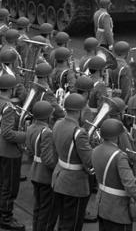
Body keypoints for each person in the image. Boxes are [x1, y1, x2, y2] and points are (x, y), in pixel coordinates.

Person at [91, 118, 136, 231]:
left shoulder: (96, 150)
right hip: (118, 210)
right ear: (118, 136)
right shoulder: (119, 156)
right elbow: (131, 186)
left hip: (102, 205)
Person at [0, 73, 28, 231]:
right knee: (10, 186)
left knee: (4, 183)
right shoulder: (8, 107)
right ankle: (6, 217)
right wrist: (27, 136)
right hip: (9, 150)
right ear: (12, 89)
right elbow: (7, 133)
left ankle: (4, 215)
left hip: (0, 146)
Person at [52, 93, 93, 231]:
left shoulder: (57, 123)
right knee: (73, 225)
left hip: (59, 177)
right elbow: (89, 161)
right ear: (79, 111)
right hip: (74, 184)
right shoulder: (79, 132)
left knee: (63, 221)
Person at [27, 100, 57, 231]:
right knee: (47, 211)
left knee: (38, 207)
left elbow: (29, 149)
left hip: (35, 171)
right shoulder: (47, 132)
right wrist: (58, 169)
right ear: (48, 116)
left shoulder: (31, 127)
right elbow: (48, 159)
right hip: (45, 175)